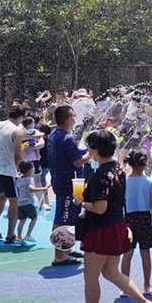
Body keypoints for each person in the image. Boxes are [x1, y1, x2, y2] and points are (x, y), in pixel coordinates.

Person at [68, 130, 152, 303]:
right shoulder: (117, 168)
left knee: (90, 276)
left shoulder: (101, 175)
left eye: (90, 147)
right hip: (116, 225)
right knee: (110, 271)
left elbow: (100, 208)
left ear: (95, 149)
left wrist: (80, 202)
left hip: (101, 229)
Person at [46, 104, 89, 266]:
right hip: (67, 184)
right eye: (72, 116)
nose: (74, 119)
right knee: (64, 217)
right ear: (67, 119)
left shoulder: (55, 134)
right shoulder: (66, 138)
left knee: (70, 216)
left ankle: (67, 248)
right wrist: (90, 154)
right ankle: (59, 255)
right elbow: (77, 162)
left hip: (63, 181)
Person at [121, 150, 152, 296]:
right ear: (144, 164)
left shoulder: (124, 181)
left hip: (128, 219)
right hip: (144, 219)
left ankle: (125, 287)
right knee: (145, 253)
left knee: (127, 253)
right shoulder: (149, 182)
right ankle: (147, 284)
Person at [0, 105, 26, 245]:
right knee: (14, 201)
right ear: (21, 117)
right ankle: (10, 234)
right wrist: (20, 170)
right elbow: (17, 155)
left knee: (1, 197)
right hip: (6, 170)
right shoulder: (17, 131)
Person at [13, 160, 49, 243]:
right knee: (34, 218)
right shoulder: (29, 179)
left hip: (20, 203)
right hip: (28, 203)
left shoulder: (18, 178)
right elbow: (31, 189)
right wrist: (42, 189)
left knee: (22, 219)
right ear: (29, 170)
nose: (34, 169)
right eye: (32, 168)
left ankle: (19, 237)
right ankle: (28, 235)